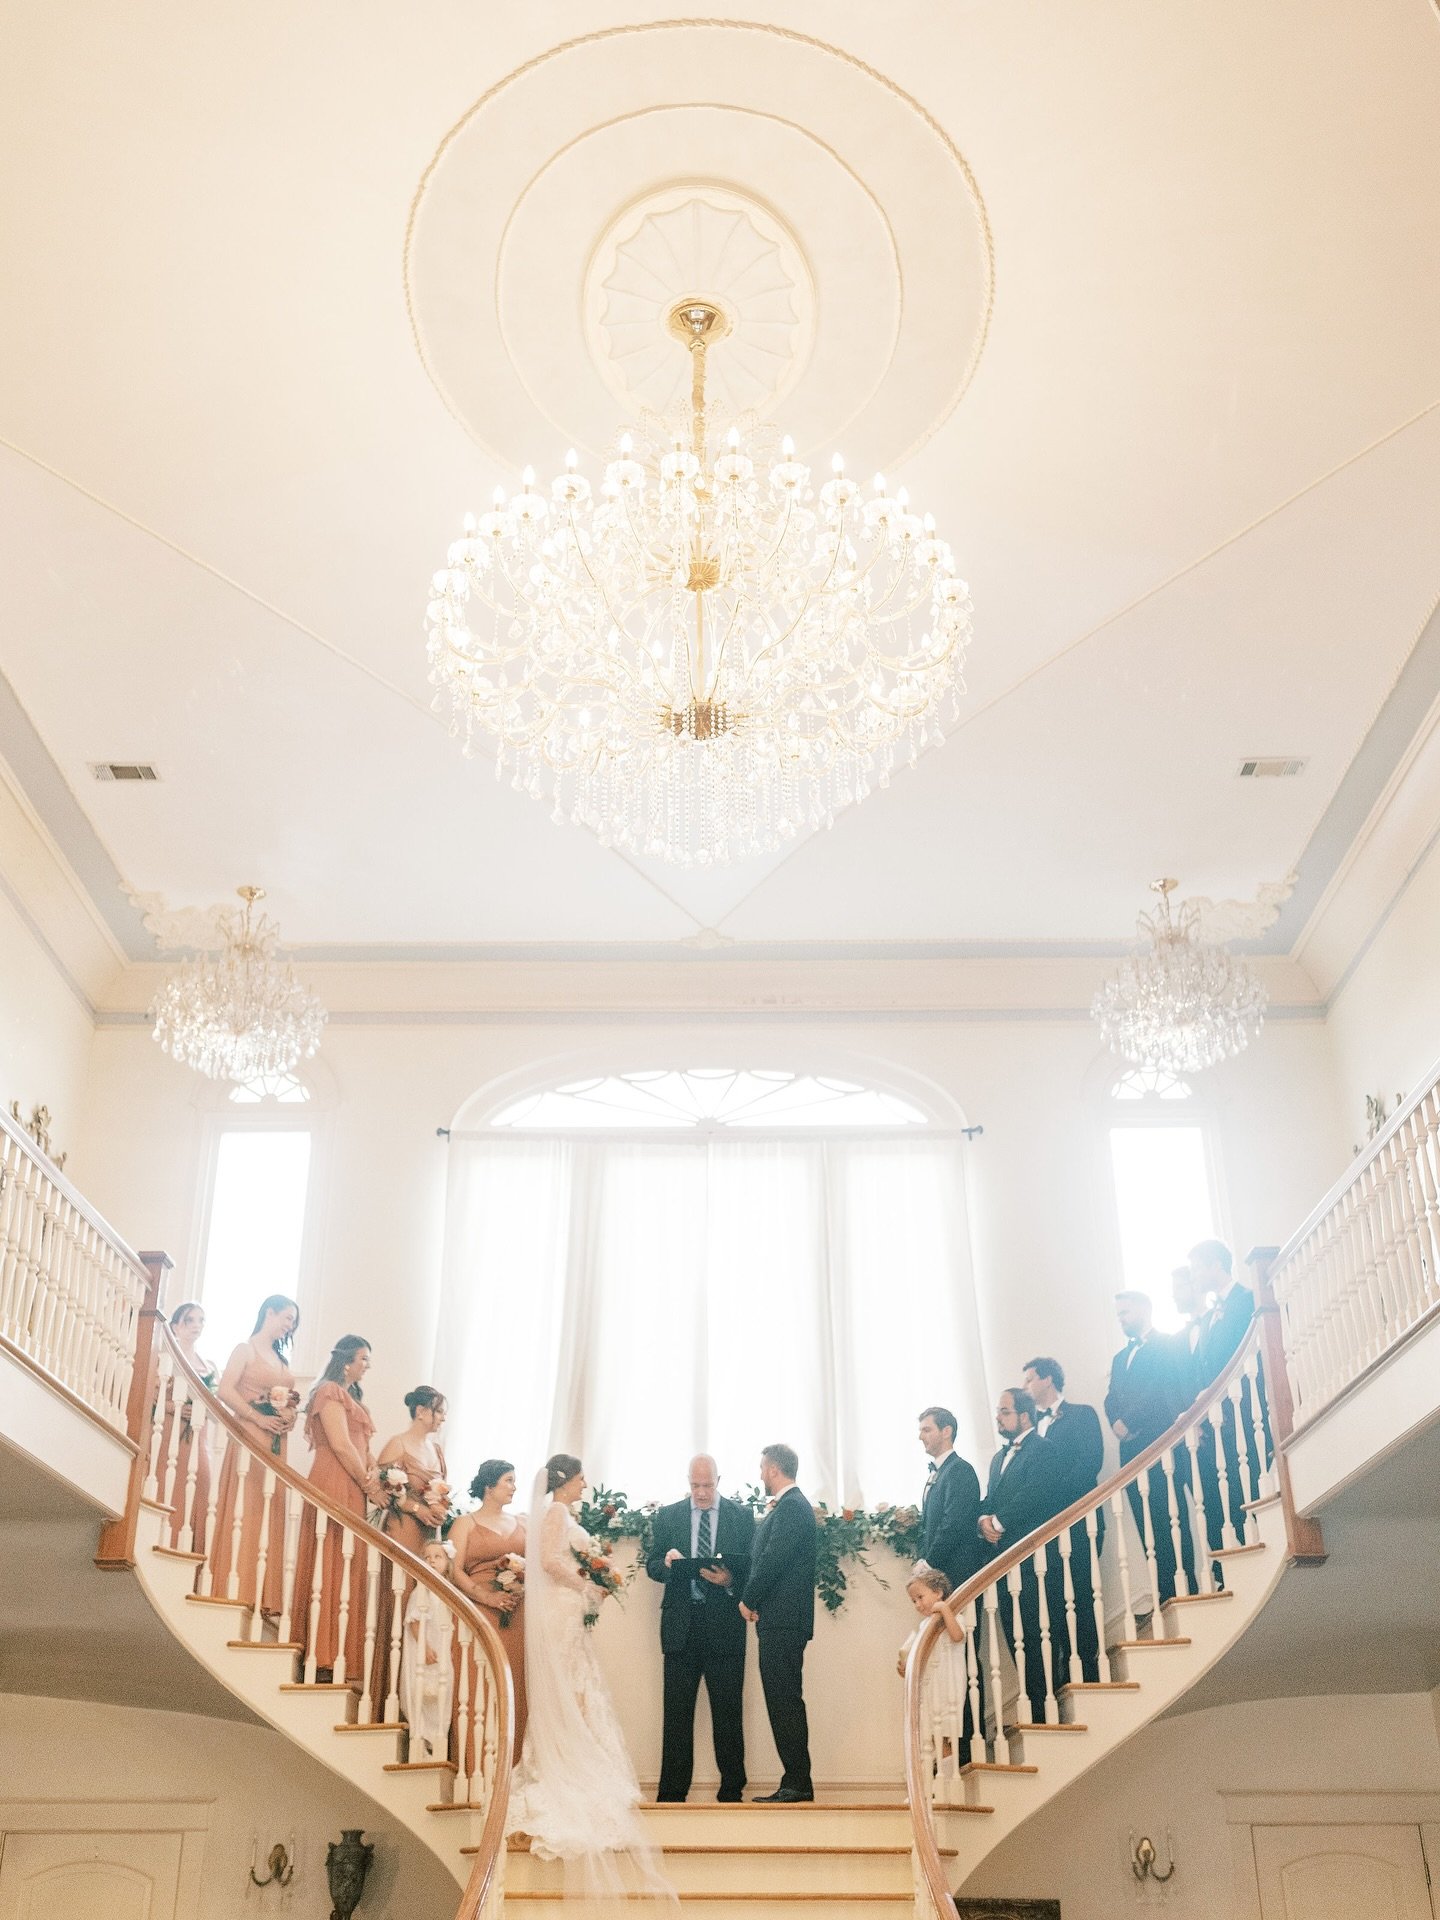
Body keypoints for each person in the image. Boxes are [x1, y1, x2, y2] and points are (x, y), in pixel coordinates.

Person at [508, 1453, 676, 1911]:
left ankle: (575, 1750)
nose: (585, 1486)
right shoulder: (558, 1512)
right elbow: (546, 1562)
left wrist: (595, 1577)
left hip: (567, 1607)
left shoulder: (563, 1512)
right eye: (581, 1479)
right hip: (560, 1607)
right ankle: (561, 1757)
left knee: (578, 1684)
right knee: (570, 1681)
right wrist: (588, 1578)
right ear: (565, 1481)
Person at [645, 1455, 755, 1804]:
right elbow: (651, 1564)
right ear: (688, 1482)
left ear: (718, 1481)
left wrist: (729, 1580)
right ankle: (672, 1794)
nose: (702, 1493)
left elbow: (752, 1568)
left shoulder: (741, 1516)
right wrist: (665, 1563)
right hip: (681, 1626)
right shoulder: (669, 1516)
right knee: (676, 1714)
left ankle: (732, 1789)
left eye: (707, 1486)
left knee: (728, 1711)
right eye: (695, 1486)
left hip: (725, 1626)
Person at [292, 1335, 378, 1686]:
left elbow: (362, 1447)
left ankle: (338, 1652)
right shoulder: (329, 1391)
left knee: (347, 1566)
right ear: (347, 1360)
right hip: (334, 1477)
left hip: (354, 1483)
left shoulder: (355, 1398)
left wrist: (373, 1474)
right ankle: (320, 1653)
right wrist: (368, 1482)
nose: (367, 1365)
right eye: (363, 1358)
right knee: (327, 1561)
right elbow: (341, 1445)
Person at [210, 1295, 300, 1614]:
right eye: (287, 1318)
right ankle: (238, 1587)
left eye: (293, 1321)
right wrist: (257, 1417)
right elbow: (224, 1389)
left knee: (270, 1507)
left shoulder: (281, 1359)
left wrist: (289, 1417)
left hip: (276, 1441)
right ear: (269, 1312)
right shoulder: (244, 1349)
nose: (289, 1325)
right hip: (251, 1434)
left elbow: (290, 1401)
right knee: (245, 1506)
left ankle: (264, 1595)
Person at [1104, 1291, 1194, 1605]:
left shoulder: (1167, 1345)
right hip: (1130, 1452)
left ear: (1145, 1308)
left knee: (1170, 1517)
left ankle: (1185, 1586)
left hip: (1159, 1441)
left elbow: (1159, 1388)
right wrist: (1115, 1420)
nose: (1121, 1319)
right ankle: (1162, 1590)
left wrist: (1129, 1420)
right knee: (1146, 1524)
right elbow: (1110, 1397)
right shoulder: (1119, 1358)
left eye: (1125, 1312)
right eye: (1118, 1314)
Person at [978, 1388, 1061, 1723]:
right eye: (999, 1411)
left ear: (1024, 1415)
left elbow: (1036, 1494)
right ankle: (1033, 1704)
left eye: (1004, 1411)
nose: (998, 1416)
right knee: (1016, 1637)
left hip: (1032, 1559)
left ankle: (1046, 1707)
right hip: (1003, 1562)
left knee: (1038, 1631)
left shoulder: (1043, 1449)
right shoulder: (998, 1458)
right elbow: (991, 1498)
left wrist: (999, 1521)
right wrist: (982, 1519)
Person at [740, 1443, 817, 1804]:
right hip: (781, 1619)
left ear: (773, 1469)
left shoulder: (792, 1507)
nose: (760, 1475)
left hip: (783, 1621)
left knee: (784, 1700)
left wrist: (748, 1599)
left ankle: (798, 1782)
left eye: (762, 1468)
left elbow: (772, 1560)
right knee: (782, 1699)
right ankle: (795, 1778)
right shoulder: (792, 1507)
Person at [1022, 1357, 1103, 1683]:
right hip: (1043, 1532)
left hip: (1077, 1522)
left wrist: (1053, 1500)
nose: (1026, 1386)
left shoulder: (1082, 1415)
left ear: (1048, 1379)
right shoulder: (1030, 1429)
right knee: (1052, 1603)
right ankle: (1063, 1676)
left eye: (1029, 1380)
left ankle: (1090, 1670)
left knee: (1081, 1595)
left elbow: (1090, 1463)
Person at [1190, 1240, 1265, 1552]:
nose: (1194, 1276)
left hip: (1246, 1407)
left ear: (1215, 1265)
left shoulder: (1248, 1299)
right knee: (1228, 1488)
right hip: (1219, 1418)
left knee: (1252, 1479)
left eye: (1197, 1268)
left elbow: (1252, 1353)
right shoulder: (1208, 1317)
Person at [452, 1460, 529, 1757]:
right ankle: (475, 1760)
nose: (514, 1487)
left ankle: (513, 1762)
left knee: (515, 1683)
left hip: (518, 1612)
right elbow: (454, 1569)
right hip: (481, 1610)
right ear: (489, 1486)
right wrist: (484, 1597)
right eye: (508, 1480)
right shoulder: (465, 1524)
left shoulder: (522, 1522)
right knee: (482, 1682)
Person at [899, 1566, 969, 1774]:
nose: (918, 1604)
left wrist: (945, 1610)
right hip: (930, 1686)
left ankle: (947, 1780)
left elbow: (957, 1636)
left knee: (944, 1734)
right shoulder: (923, 1626)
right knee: (931, 1735)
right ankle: (940, 1778)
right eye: (914, 1601)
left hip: (947, 1683)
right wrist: (906, 1666)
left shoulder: (954, 1616)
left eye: (920, 1597)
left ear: (938, 1593)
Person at [160, 1301, 217, 1553]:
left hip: (198, 1434)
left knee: (202, 1481)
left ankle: (192, 1549)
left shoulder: (209, 1365)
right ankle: (167, 1540)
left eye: (201, 1320)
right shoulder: (165, 1358)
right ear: (175, 1326)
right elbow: (152, 1395)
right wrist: (174, 1408)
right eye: (190, 1320)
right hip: (172, 1430)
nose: (197, 1325)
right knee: (171, 1485)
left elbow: (215, 1403)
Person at [917, 1406, 985, 1592]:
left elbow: (954, 1523)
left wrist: (929, 1563)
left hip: (958, 1570)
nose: (921, 1437)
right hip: (941, 1573)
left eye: (927, 1430)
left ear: (946, 1431)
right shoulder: (939, 1471)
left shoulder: (959, 1470)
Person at [400, 1539, 457, 1760]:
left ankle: (436, 1741)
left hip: (441, 1652)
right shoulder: (422, 1591)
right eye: (427, 1557)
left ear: (447, 1564)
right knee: (422, 1693)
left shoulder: (445, 1592)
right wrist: (423, 1646)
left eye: (438, 1557)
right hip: (425, 1650)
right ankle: (422, 1741)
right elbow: (415, 1621)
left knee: (440, 1695)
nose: (432, 1561)